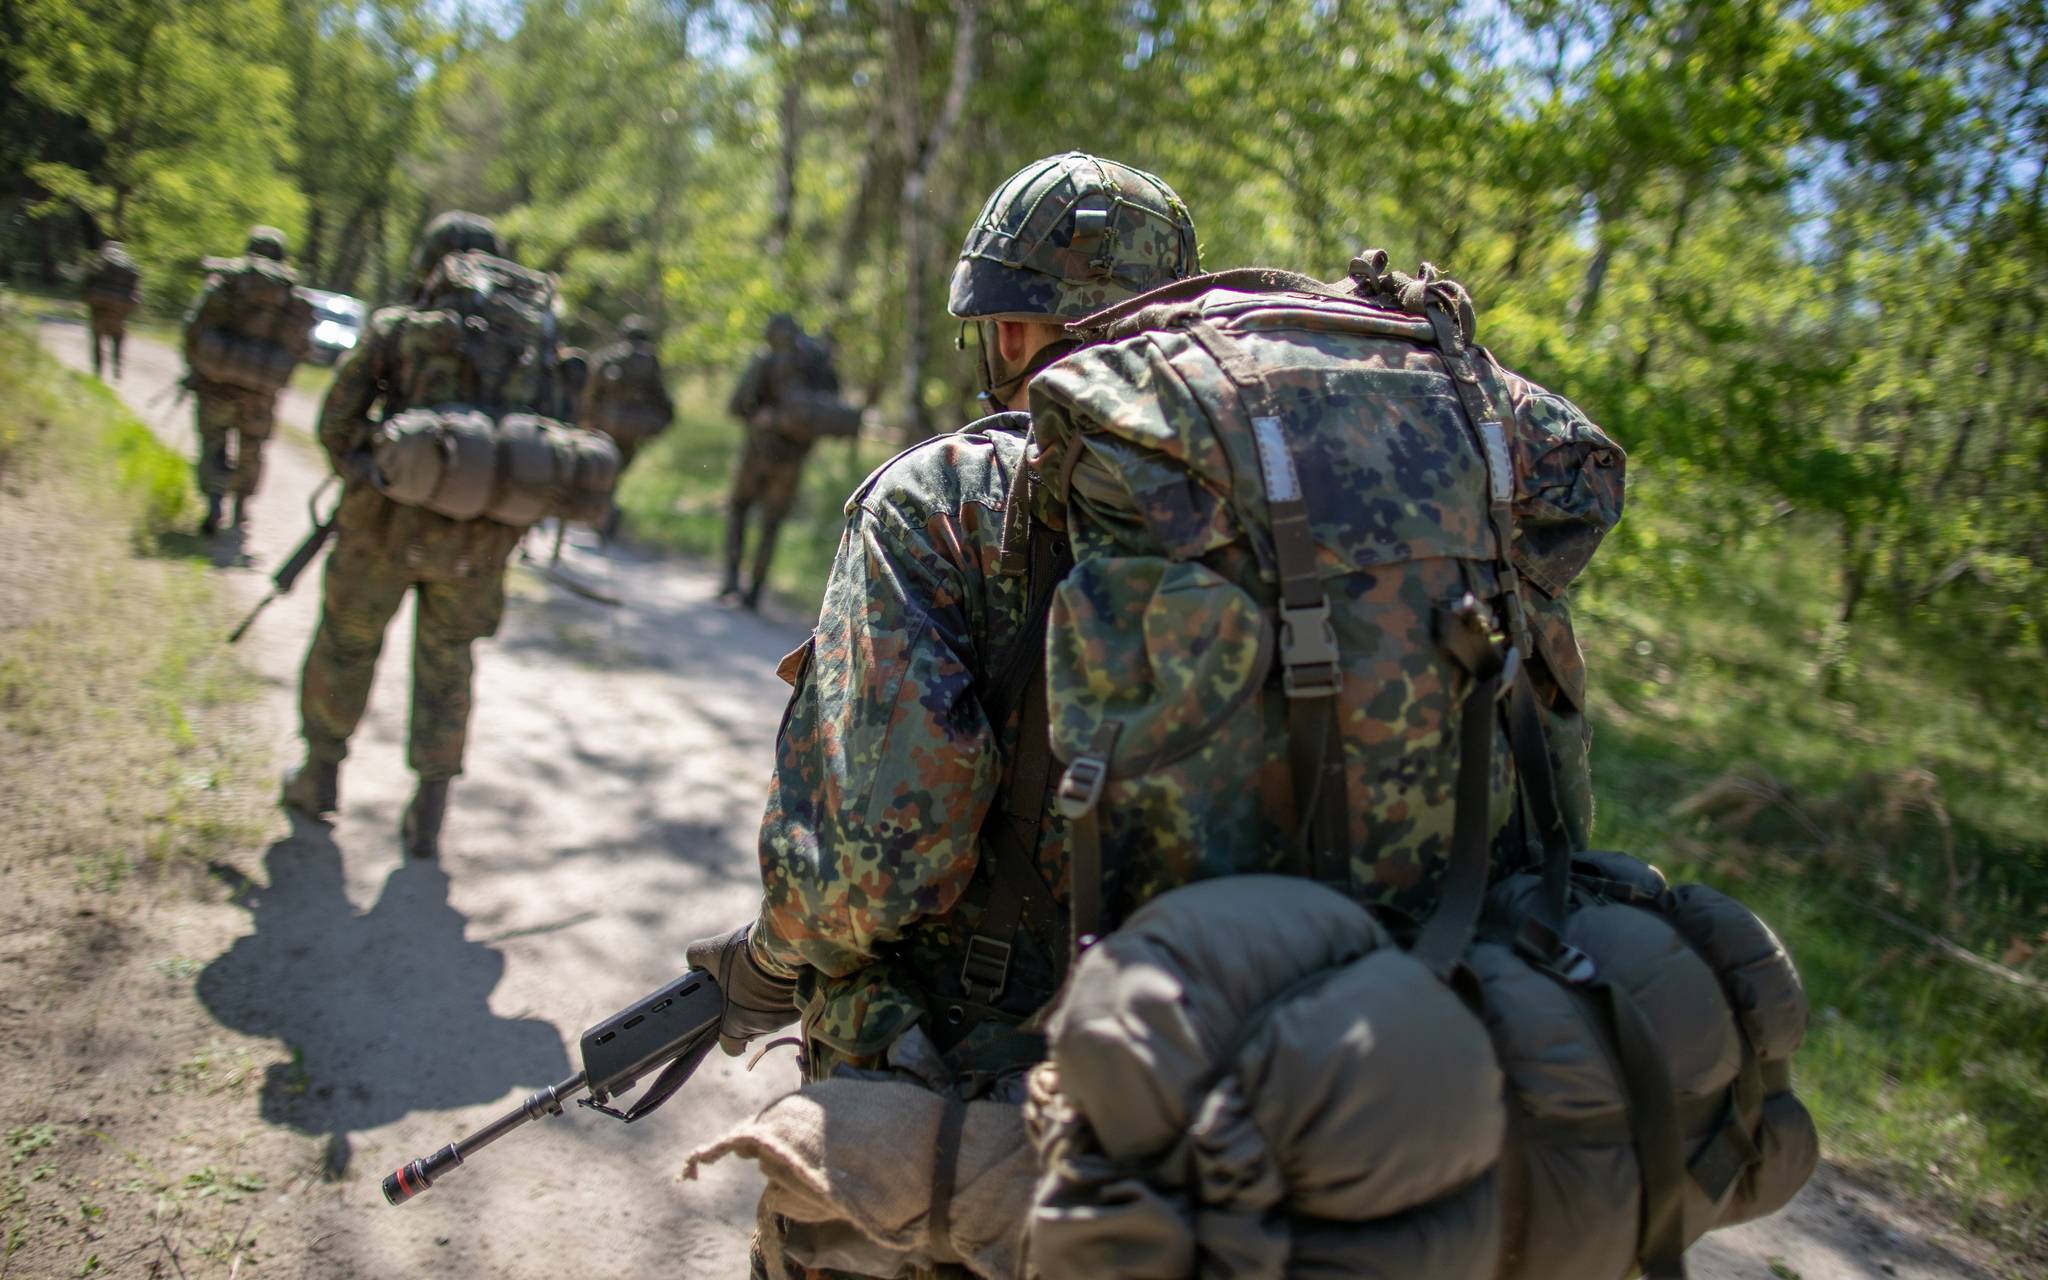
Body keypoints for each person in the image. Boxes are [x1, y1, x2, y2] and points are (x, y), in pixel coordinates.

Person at [685, 151, 1203, 1280]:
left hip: (964, 1110)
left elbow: (868, 862)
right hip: (1228, 1100)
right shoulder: (1282, 520)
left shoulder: (945, 500)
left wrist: (767, 960)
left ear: (1011, 331)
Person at [280, 210, 535, 859]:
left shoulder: (399, 330)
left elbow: (335, 425)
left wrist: (379, 469)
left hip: (379, 533)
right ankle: (429, 811)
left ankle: (319, 775)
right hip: (476, 551)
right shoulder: (532, 349)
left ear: (430, 264)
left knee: (346, 645)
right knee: (449, 667)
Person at [182, 226, 309, 535]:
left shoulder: (226, 283)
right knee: (252, 448)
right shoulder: (291, 297)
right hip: (261, 392)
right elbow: (301, 346)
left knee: (213, 442)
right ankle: (241, 507)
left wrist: (196, 367)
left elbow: (194, 328)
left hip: (215, 383)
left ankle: (215, 499)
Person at [720, 313, 839, 609]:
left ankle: (730, 582)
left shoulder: (767, 360)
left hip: (757, 452)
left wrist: (763, 418)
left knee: (739, 509)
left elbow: (737, 405)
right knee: (771, 524)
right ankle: (755, 592)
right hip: (793, 459)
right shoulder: (818, 369)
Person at [582, 314, 675, 539]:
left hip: (605, 425)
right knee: (616, 472)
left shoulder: (608, 357)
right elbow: (661, 397)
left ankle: (597, 512)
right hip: (633, 430)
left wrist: (587, 420)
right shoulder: (650, 362)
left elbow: (591, 393)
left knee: (599, 470)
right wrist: (659, 423)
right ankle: (604, 514)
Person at [80, 240, 141, 381]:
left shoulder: (100, 263)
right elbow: (136, 287)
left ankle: (98, 370)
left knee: (97, 338)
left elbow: (87, 283)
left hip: (100, 306)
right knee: (119, 338)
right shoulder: (128, 265)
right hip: (121, 308)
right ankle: (117, 369)